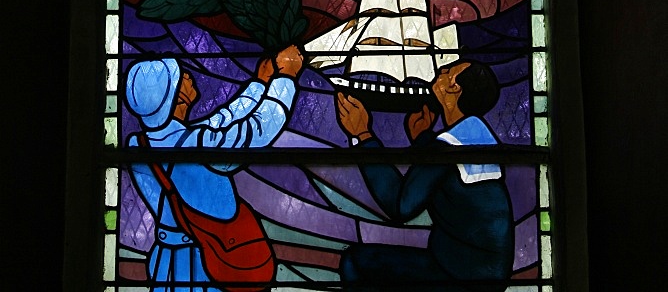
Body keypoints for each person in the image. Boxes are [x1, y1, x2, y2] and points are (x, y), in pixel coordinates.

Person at [126, 45, 303, 291]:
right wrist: (286, 79)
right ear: (176, 98)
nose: (188, 76)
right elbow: (257, 131)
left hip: (168, 260)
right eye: (181, 76)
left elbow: (219, 121)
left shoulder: (141, 144)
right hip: (203, 263)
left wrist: (259, 84)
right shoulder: (192, 145)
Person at [336, 61, 514, 292]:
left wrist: (363, 135)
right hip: (485, 274)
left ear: (454, 89)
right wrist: (422, 140)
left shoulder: (448, 148)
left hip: (457, 276)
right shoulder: (477, 138)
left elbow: (400, 206)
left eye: (448, 71)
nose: (441, 71)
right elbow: (447, 181)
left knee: (356, 263)